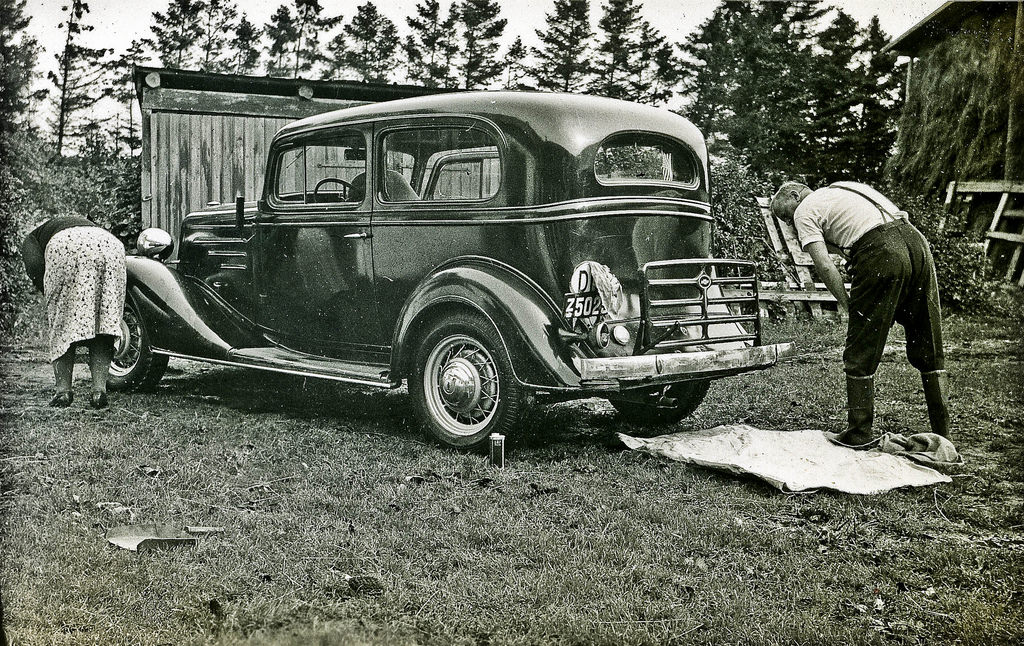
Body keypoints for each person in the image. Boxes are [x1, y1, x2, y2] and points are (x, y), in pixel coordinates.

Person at [769, 181, 949, 446]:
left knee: (860, 351)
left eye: (785, 215)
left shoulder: (804, 210)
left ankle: (858, 433)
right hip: (916, 243)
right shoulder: (843, 188)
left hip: (882, 251)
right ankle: (944, 437)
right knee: (928, 340)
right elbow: (893, 219)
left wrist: (848, 305)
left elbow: (825, 266)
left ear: (795, 195)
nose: (788, 223)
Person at [21, 216, 126, 409]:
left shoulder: (31, 239)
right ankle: (99, 391)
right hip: (110, 245)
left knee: (63, 322)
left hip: (65, 246)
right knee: (104, 320)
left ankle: (63, 391)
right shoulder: (82, 225)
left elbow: (35, 268)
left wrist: (51, 294)